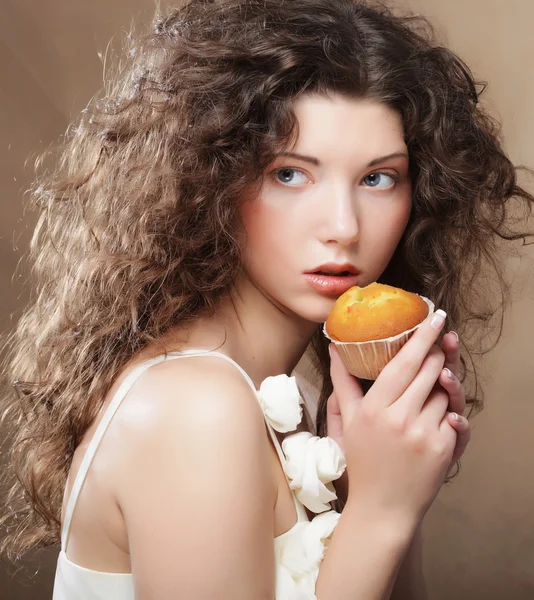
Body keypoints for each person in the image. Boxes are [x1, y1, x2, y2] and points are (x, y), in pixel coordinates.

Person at [1, 0, 533, 598]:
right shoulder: (194, 409)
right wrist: (382, 514)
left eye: (378, 178)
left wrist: (391, 488)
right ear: (211, 179)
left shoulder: (302, 399)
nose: (344, 226)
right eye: (289, 173)